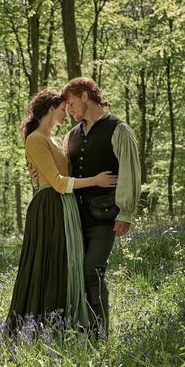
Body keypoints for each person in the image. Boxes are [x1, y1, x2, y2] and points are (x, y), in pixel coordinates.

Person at [6, 89, 117, 334]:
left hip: (65, 205)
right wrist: (95, 180)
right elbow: (56, 182)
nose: (66, 112)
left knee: (66, 265)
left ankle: (62, 325)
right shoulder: (35, 139)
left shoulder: (56, 139)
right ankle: (38, 327)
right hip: (49, 207)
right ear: (49, 110)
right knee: (48, 265)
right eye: (62, 108)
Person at [62, 77, 141, 335]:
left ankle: (100, 334)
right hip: (74, 215)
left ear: (85, 96)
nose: (69, 110)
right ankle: (81, 329)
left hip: (104, 216)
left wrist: (126, 212)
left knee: (92, 270)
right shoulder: (72, 135)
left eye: (71, 103)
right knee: (75, 274)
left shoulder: (118, 129)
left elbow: (130, 171)